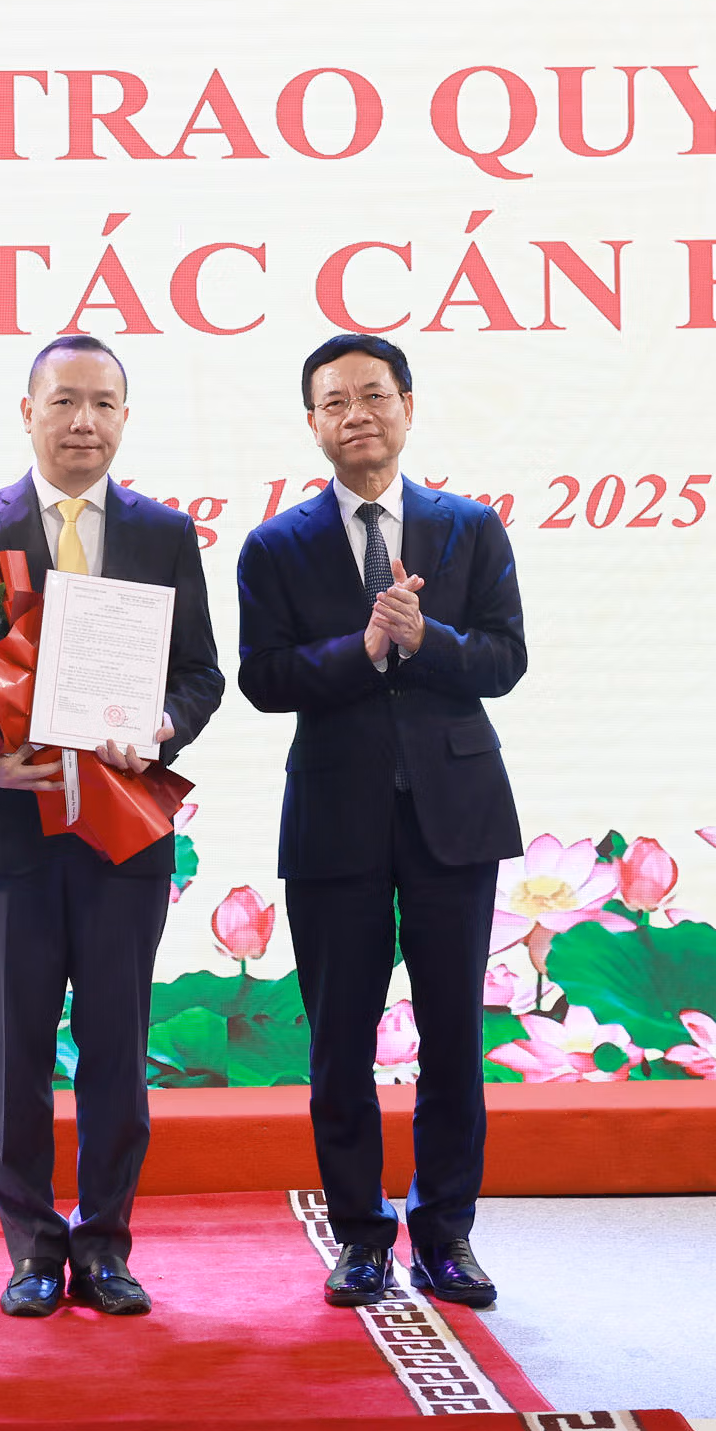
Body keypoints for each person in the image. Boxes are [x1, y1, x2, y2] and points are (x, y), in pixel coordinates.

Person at [0, 335, 225, 1318]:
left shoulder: (163, 533)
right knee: (13, 1055)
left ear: (124, 417)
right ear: (28, 411)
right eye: (63, 402)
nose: (83, 421)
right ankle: (32, 1253)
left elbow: (199, 672)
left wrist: (162, 723)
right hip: (6, 837)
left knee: (117, 1050)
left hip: (122, 831)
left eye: (102, 403)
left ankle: (105, 1246)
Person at [235, 334, 525, 1309]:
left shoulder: (469, 527)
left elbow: (504, 659)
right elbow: (263, 679)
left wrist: (425, 636)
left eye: (373, 394)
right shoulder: (274, 545)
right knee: (338, 1044)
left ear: (407, 406)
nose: (356, 414)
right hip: (334, 816)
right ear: (311, 423)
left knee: (452, 1039)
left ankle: (446, 1236)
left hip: (455, 814)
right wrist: (360, 648)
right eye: (335, 402)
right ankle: (360, 1236)